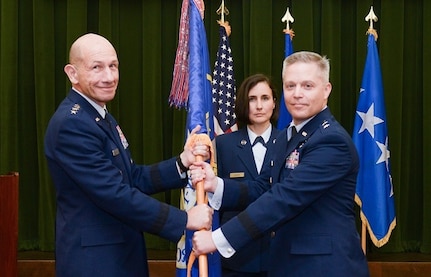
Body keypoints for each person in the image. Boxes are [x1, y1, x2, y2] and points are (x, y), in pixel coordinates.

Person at [44, 33, 213, 277]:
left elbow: (131, 177)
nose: (109, 77)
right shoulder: (72, 124)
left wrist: (182, 162)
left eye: (113, 66)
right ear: (72, 73)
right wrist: (184, 219)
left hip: (119, 254)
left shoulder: (99, 116)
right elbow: (115, 194)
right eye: (96, 68)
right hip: (95, 263)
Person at [190, 51, 370, 276]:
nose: (297, 94)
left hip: (323, 267)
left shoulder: (331, 141)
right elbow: (262, 187)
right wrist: (214, 184)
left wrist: (217, 239)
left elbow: (284, 198)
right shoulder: (286, 137)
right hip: (288, 263)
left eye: (307, 86)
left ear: (326, 90)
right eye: (290, 86)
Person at [215, 73, 279, 277]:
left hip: (278, 252)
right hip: (237, 255)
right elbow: (219, 201)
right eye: (252, 99)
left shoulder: (289, 142)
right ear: (244, 103)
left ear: (274, 103)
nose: (259, 106)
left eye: (265, 98)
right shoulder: (224, 145)